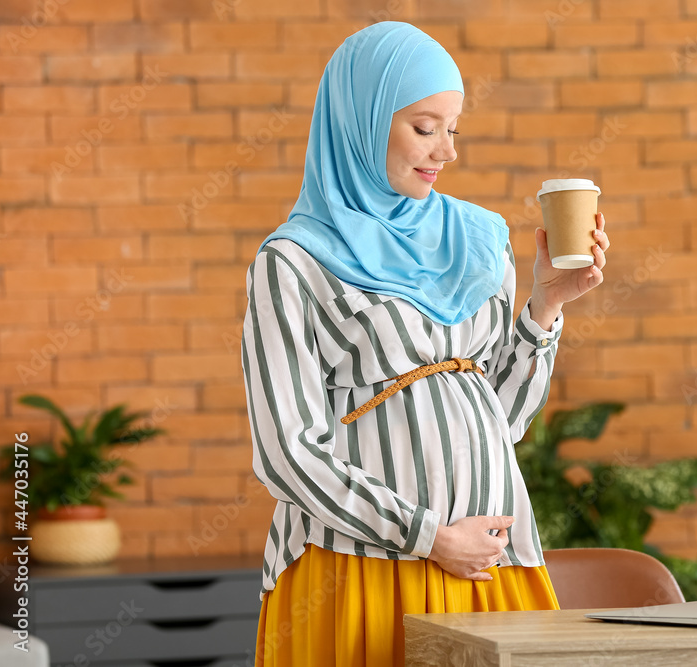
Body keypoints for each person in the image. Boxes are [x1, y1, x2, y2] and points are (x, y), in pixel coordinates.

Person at [242, 21, 610, 666]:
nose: (446, 150)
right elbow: (286, 452)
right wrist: (428, 537)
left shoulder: (478, 238)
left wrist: (546, 305)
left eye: (453, 128)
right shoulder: (293, 263)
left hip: (493, 560)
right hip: (356, 566)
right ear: (358, 121)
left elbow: (505, 420)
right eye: (423, 126)